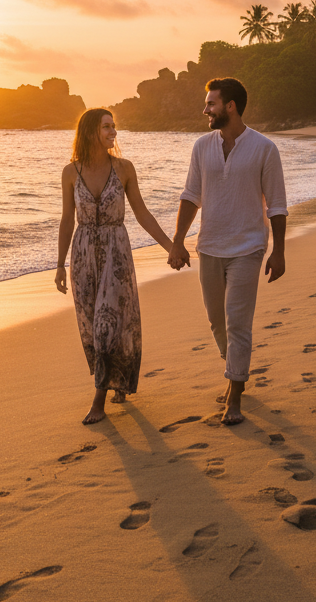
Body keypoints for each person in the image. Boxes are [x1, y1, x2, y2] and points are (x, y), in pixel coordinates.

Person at [167, 78, 288, 426]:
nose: (205, 110)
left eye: (211, 104)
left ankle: (234, 393)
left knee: (237, 321)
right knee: (215, 320)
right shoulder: (201, 147)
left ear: (230, 106)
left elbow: (277, 206)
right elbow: (191, 196)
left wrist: (278, 251)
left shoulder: (264, 149)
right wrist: (178, 240)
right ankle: (237, 368)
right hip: (210, 246)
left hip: (248, 248)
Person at [56, 108, 174, 425]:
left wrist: (170, 245)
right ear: (91, 131)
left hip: (115, 252)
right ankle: (115, 379)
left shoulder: (124, 169)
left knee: (108, 323)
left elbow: (143, 214)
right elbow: (67, 220)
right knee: (92, 328)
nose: (113, 132)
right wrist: (59, 265)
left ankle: (99, 401)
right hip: (82, 255)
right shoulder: (70, 172)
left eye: (114, 126)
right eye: (107, 127)